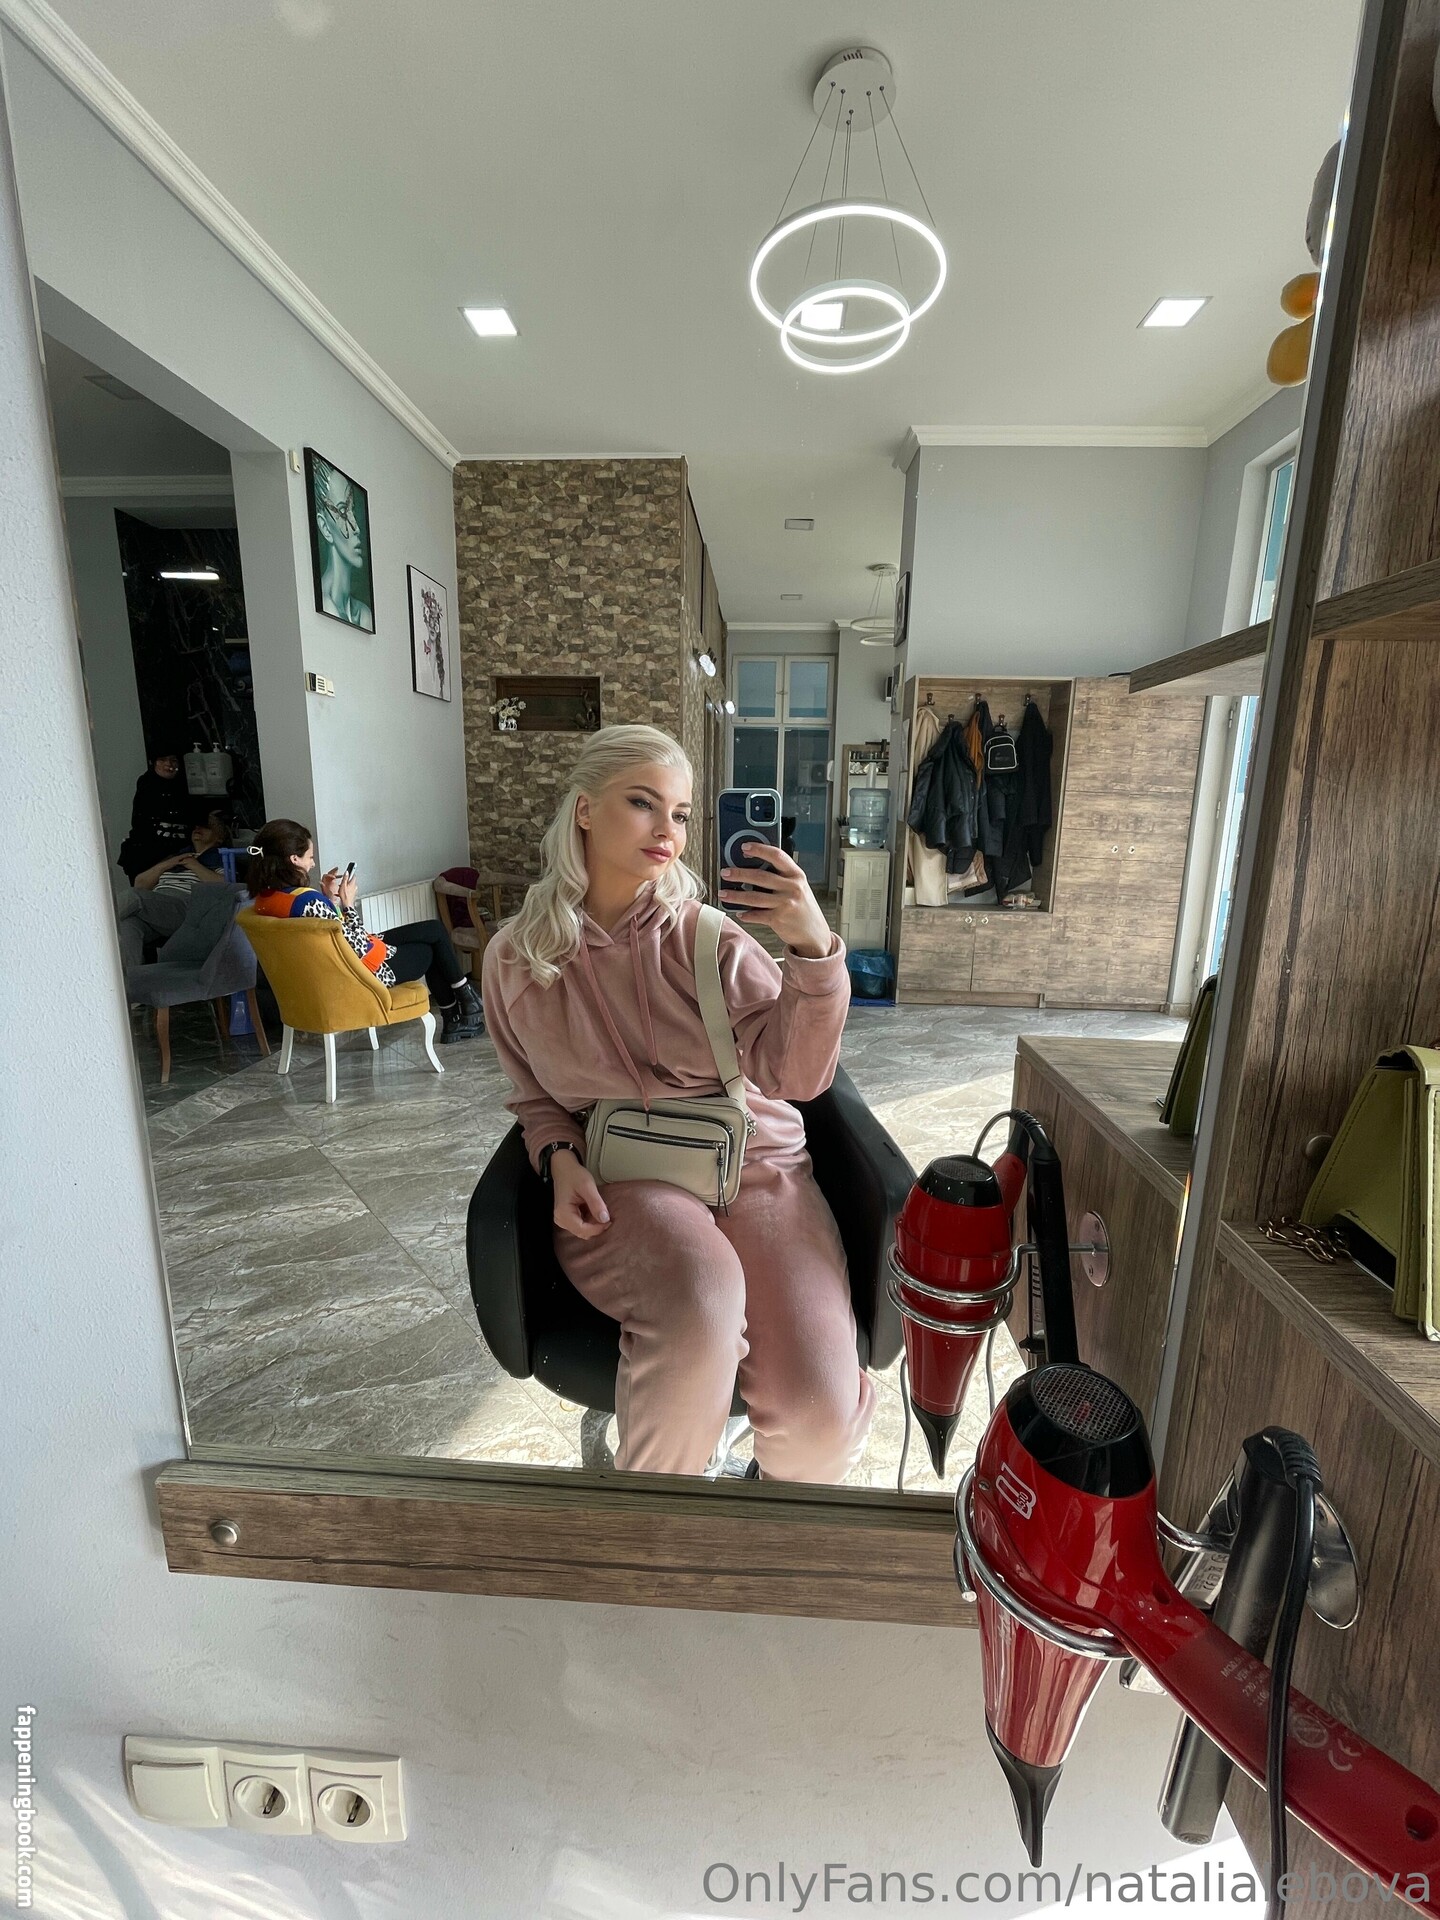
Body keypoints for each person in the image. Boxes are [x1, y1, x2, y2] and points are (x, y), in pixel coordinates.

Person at [481, 724, 875, 1483]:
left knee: (819, 1416)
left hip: (757, 1169)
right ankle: (656, 1529)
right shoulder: (517, 961)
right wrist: (558, 1157)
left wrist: (813, 950)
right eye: (643, 803)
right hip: (625, 1179)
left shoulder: (711, 942)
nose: (668, 830)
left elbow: (797, 1077)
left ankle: (766, 1524)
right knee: (700, 1301)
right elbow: (534, 1096)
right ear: (585, 809)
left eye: (683, 814)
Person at [245, 820, 483, 1042]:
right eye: (310, 857)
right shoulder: (308, 901)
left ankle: (460, 1010)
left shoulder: (266, 901)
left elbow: (328, 935)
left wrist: (329, 900)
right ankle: (460, 1010)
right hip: (362, 973)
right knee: (430, 949)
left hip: (335, 969)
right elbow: (356, 946)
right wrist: (348, 903)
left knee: (433, 929)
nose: (313, 864)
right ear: (294, 859)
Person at [117, 814, 229, 972]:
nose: (198, 829)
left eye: (207, 827)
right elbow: (140, 884)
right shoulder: (177, 856)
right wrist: (168, 863)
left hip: (185, 907)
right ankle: (129, 983)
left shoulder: (221, 858)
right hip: (156, 906)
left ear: (220, 837)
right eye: (196, 826)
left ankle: (93, 924)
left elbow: (225, 886)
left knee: (134, 897)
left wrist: (194, 865)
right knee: (128, 925)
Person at [118, 749, 193, 881]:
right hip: (147, 855)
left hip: (180, 855)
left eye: (173, 760)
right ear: (154, 763)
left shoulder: (187, 787)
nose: (169, 764)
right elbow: (142, 823)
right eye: (162, 760)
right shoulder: (147, 785)